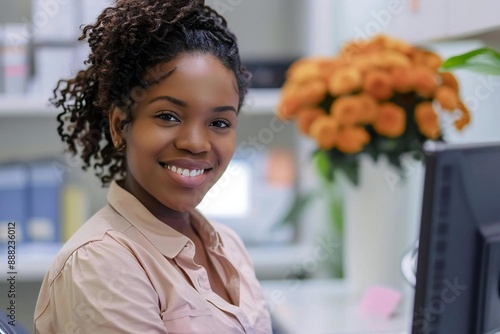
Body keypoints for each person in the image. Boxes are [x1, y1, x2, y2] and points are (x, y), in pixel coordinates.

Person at [33, 0, 272, 333]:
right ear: (120, 126)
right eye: (168, 116)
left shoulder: (228, 245)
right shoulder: (101, 262)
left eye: (219, 122)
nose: (196, 143)